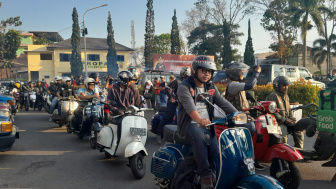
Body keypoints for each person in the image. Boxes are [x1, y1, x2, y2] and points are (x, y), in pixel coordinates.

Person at [177, 56, 237, 189]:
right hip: (189, 125)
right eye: (203, 70)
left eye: (209, 71)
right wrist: (199, 120)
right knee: (200, 137)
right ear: (195, 71)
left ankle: (216, 173)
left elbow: (224, 103)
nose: (206, 74)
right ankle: (205, 176)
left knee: (217, 150)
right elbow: (190, 107)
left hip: (207, 124)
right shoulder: (184, 87)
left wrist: (239, 114)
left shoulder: (210, 87)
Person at [224, 62, 264, 170]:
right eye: (240, 72)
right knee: (251, 128)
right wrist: (256, 73)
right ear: (234, 73)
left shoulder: (237, 83)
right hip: (234, 117)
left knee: (259, 126)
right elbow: (251, 85)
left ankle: (255, 157)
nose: (243, 73)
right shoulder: (232, 84)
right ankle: (250, 158)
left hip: (241, 116)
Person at [266, 76, 304, 149]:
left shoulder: (286, 96)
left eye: (287, 86)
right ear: (277, 86)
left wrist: (293, 120)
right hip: (278, 123)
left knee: (299, 131)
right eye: (283, 85)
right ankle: (284, 152)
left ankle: (299, 151)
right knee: (283, 132)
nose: (286, 88)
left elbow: (289, 110)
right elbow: (272, 112)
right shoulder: (273, 96)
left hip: (287, 122)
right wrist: (284, 120)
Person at [156, 69, 191, 144]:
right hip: (173, 102)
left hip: (182, 102)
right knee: (168, 117)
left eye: (188, 76)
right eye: (186, 76)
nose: (187, 77)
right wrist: (171, 97)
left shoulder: (190, 83)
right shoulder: (177, 81)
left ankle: (178, 135)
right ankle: (159, 133)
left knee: (182, 118)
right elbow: (167, 88)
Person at [107, 71, 138, 144]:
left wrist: (131, 110)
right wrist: (118, 111)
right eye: (129, 81)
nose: (130, 83)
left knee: (137, 122)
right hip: (117, 115)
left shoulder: (129, 91)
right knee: (122, 123)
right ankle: (119, 141)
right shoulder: (113, 90)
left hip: (128, 114)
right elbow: (109, 103)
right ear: (124, 81)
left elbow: (132, 103)